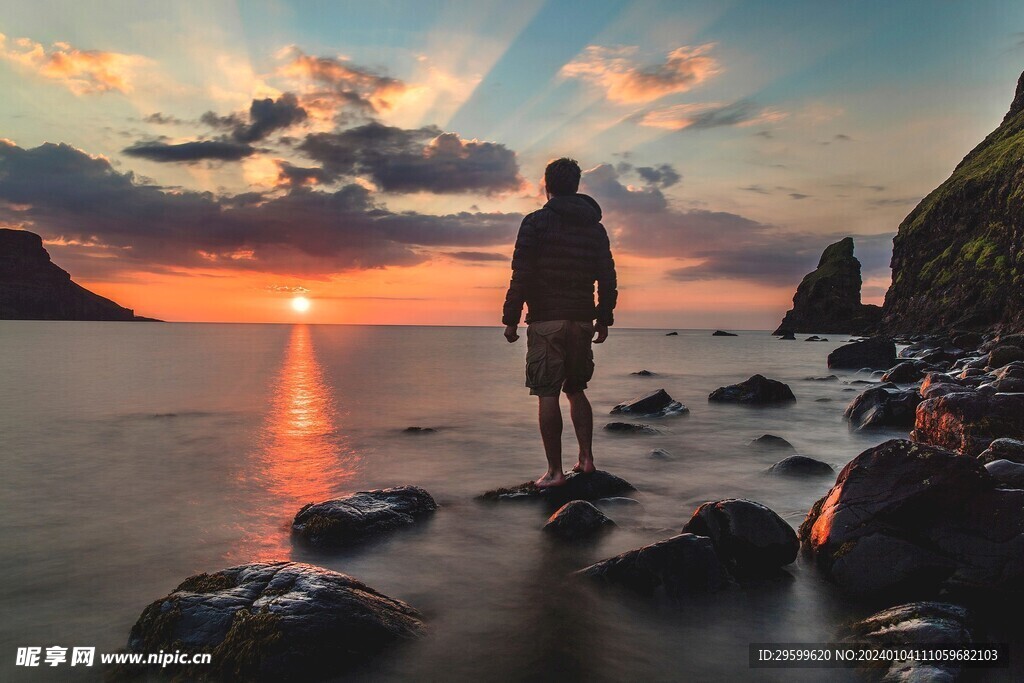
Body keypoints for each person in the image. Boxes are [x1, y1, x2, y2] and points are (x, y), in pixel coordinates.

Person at [502, 158, 618, 488]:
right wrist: (604, 317)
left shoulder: (536, 223)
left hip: (546, 320)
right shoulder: (594, 228)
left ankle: (554, 473)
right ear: (576, 185)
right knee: (577, 389)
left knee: (547, 393)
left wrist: (511, 319)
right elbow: (607, 276)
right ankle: (586, 460)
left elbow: (521, 273)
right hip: (582, 319)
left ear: (547, 185)